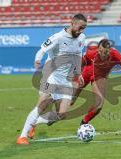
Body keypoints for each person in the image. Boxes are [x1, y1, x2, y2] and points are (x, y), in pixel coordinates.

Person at [30, 39, 121, 136]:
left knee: (99, 105)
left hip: (99, 78)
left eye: (105, 52)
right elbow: (81, 63)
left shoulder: (116, 55)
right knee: (69, 102)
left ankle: (84, 123)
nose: (102, 54)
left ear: (109, 50)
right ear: (98, 49)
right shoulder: (91, 53)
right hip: (85, 74)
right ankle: (42, 118)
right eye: (101, 51)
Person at [16, 13, 87, 145]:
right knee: (43, 104)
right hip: (51, 76)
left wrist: (79, 73)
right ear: (72, 23)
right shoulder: (58, 37)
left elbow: (78, 55)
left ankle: (34, 123)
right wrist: (37, 59)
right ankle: (22, 137)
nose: (81, 30)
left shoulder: (82, 38)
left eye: (84, 28)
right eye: (80, 27)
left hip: (65, 80)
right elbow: (42, 50)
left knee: (62, 114)